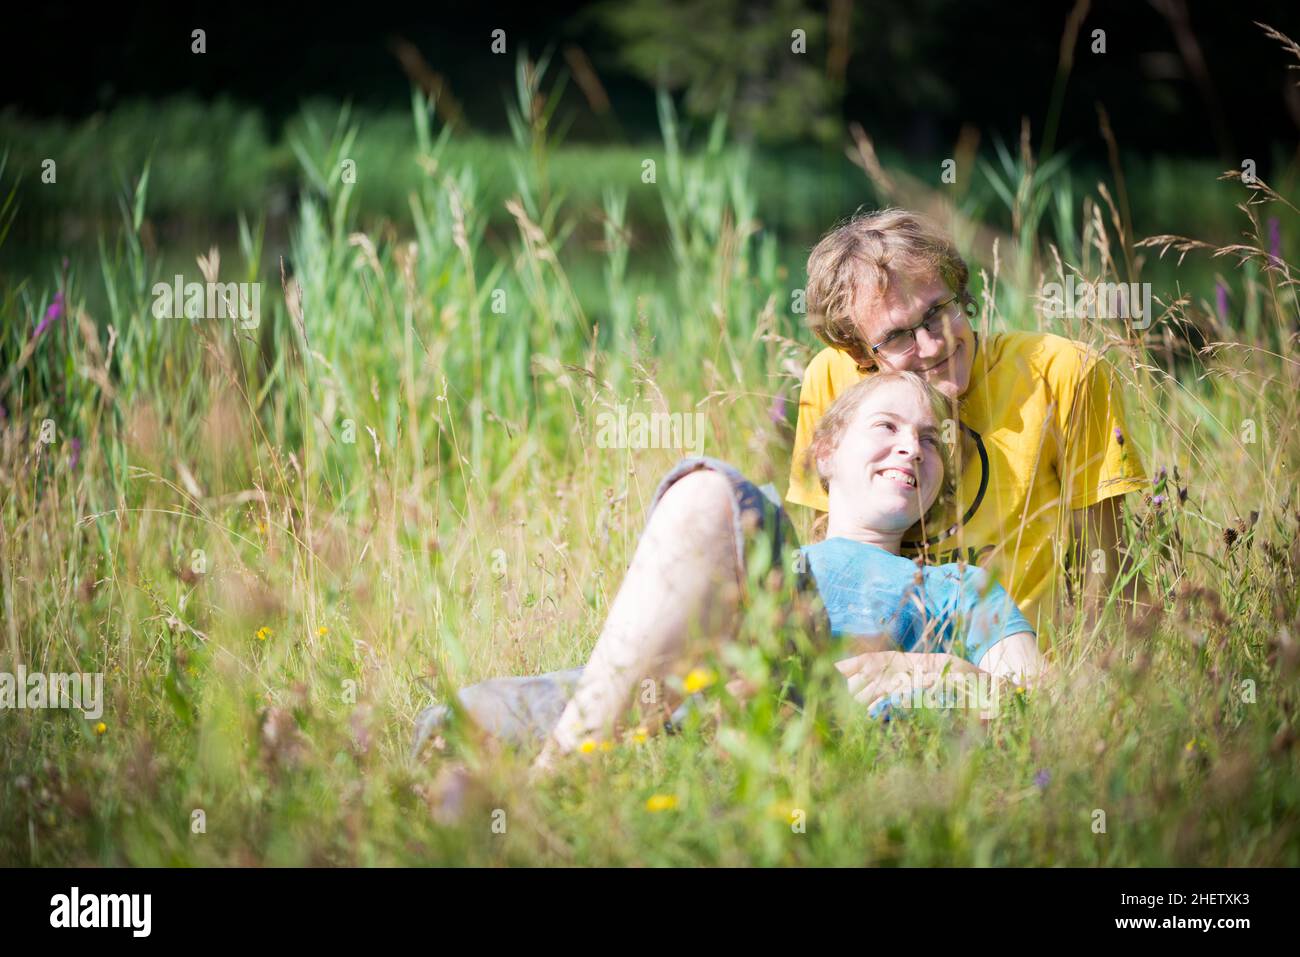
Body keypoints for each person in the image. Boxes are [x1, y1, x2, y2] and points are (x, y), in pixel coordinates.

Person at [415, 371, 1047, 765]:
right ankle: (588, 757)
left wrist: (930, 665)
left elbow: (1040, 706)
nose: (912, 445)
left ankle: (562, 775)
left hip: (800, 700)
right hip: (681, 694)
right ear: (824, 451)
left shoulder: (957, 586)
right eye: (888, 425)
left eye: (932, 440)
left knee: (711, 490)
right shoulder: (777, 555)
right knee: (458, 718)